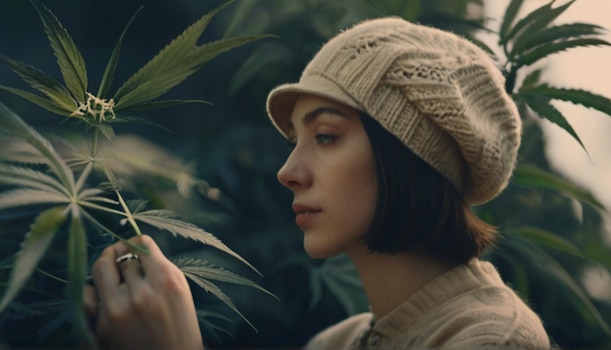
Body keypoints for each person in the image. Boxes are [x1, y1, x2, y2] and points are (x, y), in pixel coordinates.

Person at [84, 17, 551, 349]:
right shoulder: (335, 342)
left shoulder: (493, 339)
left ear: (409, 156)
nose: (288, 172)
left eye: (326, 137)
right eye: (296, 139)